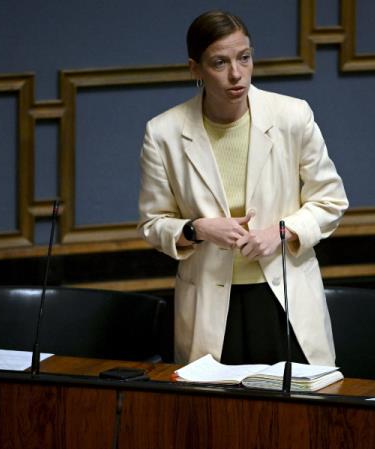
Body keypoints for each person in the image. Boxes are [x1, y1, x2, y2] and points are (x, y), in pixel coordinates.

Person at [138, 10, 348, 365]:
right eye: (220, 62)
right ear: (195, 69)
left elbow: (330, 201)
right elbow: (152, 223)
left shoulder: (292, 116)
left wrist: (282, 232)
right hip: (209, 301)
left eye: (244, 58)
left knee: (297, 411)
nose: (237, 74)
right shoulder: (163, 133)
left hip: (284, 295)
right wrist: (196, 229)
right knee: (214, 414)